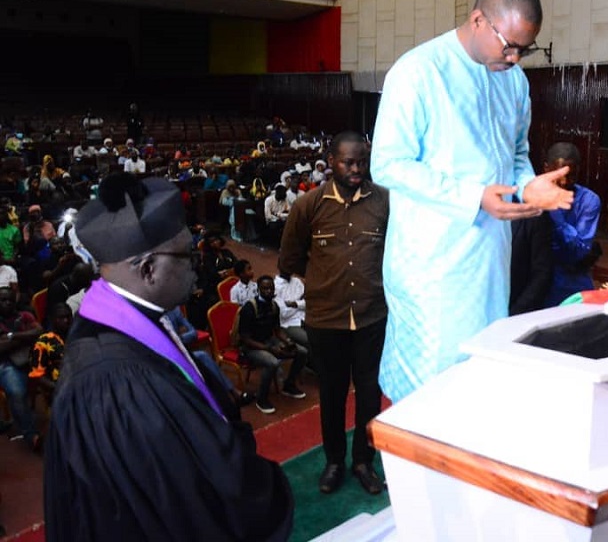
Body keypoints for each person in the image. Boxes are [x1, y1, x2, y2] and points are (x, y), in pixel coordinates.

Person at [43, 173, 293, 541]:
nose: (196, 265)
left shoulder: (135, 318)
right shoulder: (114, 379)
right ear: (148, 268)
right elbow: (187, 493)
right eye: (187, 255)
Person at [370, 0, 573, 402]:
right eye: (509, 46)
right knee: (427, 394)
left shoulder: (514, 82)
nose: (515, 59)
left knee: (477, 384)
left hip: (490, 261)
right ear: (479, 20)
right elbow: (387, 164)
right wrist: (473, 197)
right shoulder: (419, 71)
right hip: (431, 267)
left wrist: (527, 186)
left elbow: (515, 154)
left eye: (524, 50)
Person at [279, 131, 390, 495]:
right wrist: (325, 280)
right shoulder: (308, 205)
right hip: (326, 319)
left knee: (370, 394)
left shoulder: (385, 201)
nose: (356, 169)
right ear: (331, 162)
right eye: (348, 162)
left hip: (372, 316)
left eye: (362, 162)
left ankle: (363, 461)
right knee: (332, 393)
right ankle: (334, 461)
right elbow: (290, 259)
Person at [236, 275, 309, 415]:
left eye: (271, 288)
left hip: (269, 341)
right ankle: (261, 398)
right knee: (272, 362)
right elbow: (245, 339)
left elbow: (277, 331)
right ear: (259, 290)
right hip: (251, 347)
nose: (268, 291)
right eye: (265, 289)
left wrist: (287, 341)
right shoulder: (249, 308)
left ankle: (288, 385)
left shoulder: (274, 306)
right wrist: (269, 349)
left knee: (302, 352)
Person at [542, 142, 601, 307]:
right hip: (540, 284)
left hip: (573, 285)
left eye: (571, 175)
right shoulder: (531, 198)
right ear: (546, 169)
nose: (564, 182)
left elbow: (578, 250)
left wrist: (555, 214)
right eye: (558, 175)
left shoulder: (588, 201)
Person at [0, 286, 42, 451]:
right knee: (17, 391)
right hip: (6, 364)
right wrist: (25, 338)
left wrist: (11, 337)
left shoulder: (25, 315)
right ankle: (31, 435)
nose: (7, 303)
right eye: (3, 300)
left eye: (10, 300)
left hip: (30, 360)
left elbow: (39, 331)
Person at [509, 210, 554, 316]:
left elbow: (542, 272)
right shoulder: (473, 211)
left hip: (515, 313)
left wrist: (516, 314)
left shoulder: (534, 215)